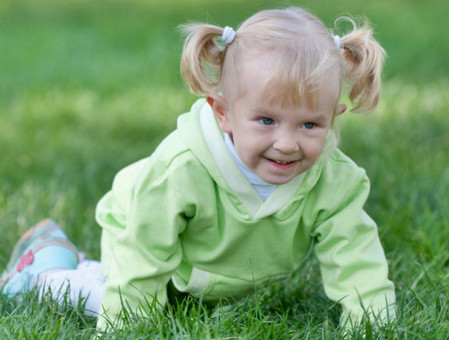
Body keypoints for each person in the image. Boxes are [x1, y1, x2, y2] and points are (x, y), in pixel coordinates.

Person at [0, 6, 396, 330]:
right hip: (139, 229)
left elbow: (355, 254)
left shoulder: (335, 180)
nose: (287, 143)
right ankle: (46, 269)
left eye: (310, 124)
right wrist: (127, 324)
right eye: (266, 121)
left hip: (206, 269)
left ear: (334, 116)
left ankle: (68, 256)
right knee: (119, 299)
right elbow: (145, 252)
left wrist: (372, 323)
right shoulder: (182, 169)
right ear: (223, 113)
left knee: (177, 304)